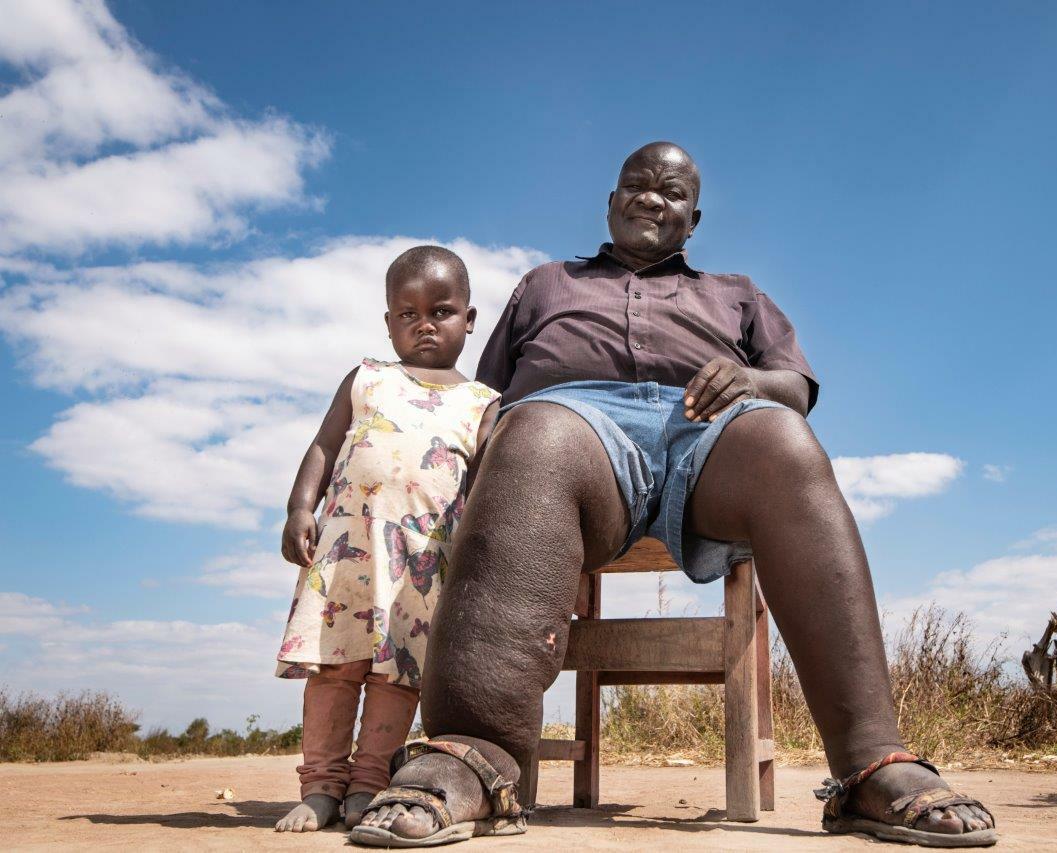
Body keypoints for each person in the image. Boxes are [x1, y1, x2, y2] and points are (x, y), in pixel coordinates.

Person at [353, 144, 996, 847]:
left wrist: (750, 383)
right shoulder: (543, 283)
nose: (651, 197)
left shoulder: (738, 292)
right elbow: (491, 396)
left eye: (671, 191)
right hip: (575, 437)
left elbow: (796, 388)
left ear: (694, 218)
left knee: (786, 443)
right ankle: (473, 755)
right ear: (610, 202)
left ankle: (874, 762)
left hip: (712, 435)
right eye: (636, 185)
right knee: (529, 433)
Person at [273, 246, 500, 832]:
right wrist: (301, 507)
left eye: (442, 311)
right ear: (388, 321)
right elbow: (325, 445)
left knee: (397, 675)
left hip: (419, 570)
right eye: (407, 313)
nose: (424, 324)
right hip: (347, 557)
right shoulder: (367, 378)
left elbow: (484, 488)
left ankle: (370, 785)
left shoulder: (482, 405)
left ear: (469, 320)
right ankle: (321, 784)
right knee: (334, 669)